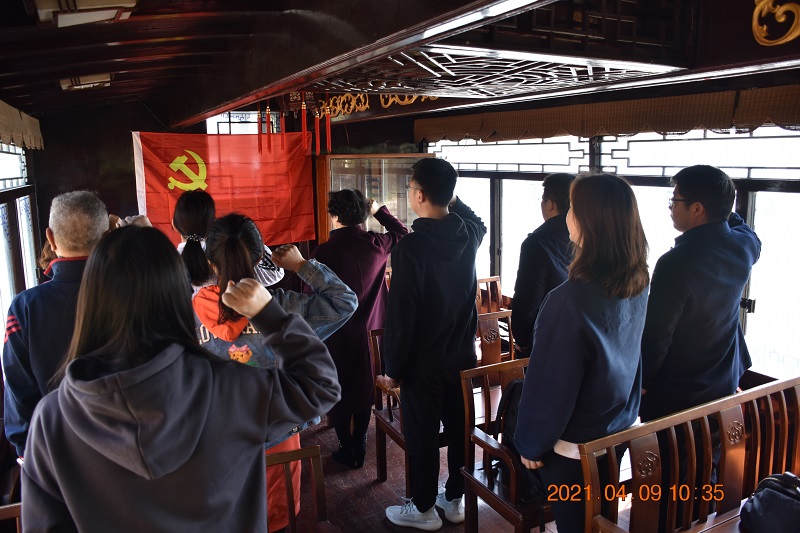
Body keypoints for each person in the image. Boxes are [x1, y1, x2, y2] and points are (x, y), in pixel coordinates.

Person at [20, 225, 341, 532]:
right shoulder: (229, 388)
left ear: (92, 303)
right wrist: (269, 314)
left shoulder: (52, 419)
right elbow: (320, 385)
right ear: (177, 295)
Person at [194, 213, 356, 533]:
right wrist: (302, 265)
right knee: (278, 518)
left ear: (211, 264)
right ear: (259, 261)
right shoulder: (285, 309)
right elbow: (344, 302)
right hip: (277, 434)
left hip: (217, 444)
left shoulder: (185, 315)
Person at [515, 173, 650, 533]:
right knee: (599, 518)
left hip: (573, 448)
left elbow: (549, 387)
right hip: (617, 427)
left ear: (588, 222)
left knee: (575, 525)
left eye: (573, 208)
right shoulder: (637, 281)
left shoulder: (568, 301)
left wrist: (530, 444)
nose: (568, 215)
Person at [379, 158, 486, 531]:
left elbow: (401, 315)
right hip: (462, 357)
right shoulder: (469, 234)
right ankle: (454, 499)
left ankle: (423, 508)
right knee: (459, 431)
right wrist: (450, 195)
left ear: (420, 195)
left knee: (422, 437)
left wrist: (393, 369)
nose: (409, 192)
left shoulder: (410, 247)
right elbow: (477, 220)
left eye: (410, 187)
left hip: (422, 366)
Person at [640, 164, 761, 421]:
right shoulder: (744, 246)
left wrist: (643, 381)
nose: (670, 207)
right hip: (724, 382)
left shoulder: (675, 263)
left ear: (697, 208)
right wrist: (722, 207)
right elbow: (747, 231)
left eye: (674, 200)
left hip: (678, 391)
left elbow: (658, 335)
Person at [3, 190, 108, 459]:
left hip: (53, 454)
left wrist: (30, 455)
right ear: (107, 237)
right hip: (132, 452)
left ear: (50, 238)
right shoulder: (134, 293)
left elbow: (20, 396)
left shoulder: (25, 307)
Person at [309, 189, 408, 468]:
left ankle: (346, 447)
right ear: (363, 216)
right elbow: (401, 232)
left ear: (334, 215)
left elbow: (309, 295)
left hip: (336, 334)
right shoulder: (377, 243)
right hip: (373, 332)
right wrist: (380, 211)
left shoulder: (323, 253)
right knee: (366, 387)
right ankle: (361, 441)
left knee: (339, 389)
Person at [511, 172, 575, 357]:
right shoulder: (587, 237)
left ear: (550, 204)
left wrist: (521, 339)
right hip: (577, 336)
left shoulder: (536, 243)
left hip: (543, 337)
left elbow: (528, 298)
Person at [172, 189, 283, 292]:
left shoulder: (168, 265)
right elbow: (276, 272)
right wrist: (250, 235)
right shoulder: (229, 251)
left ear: (174, 225)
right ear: (213, 223)